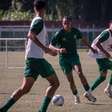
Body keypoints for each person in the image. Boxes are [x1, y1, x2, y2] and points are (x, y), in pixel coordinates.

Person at [0, 0, 59, 112]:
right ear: (43, 9)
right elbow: (31, 35)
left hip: (31, 59)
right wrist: (45, 49)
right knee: (55, 83)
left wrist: (49, 50)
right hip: (36, 60)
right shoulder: (39, 21)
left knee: (25, 89)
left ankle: (3, 109)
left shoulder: (35, 21)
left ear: (35, 9)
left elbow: (30, 38)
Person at [49, 16, 96, 104]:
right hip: (63, 59)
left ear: (71, 23)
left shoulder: (75, 31)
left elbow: (83, 39)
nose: (66, 24)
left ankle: (88, 93)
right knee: (71, 80)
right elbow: (50, 46)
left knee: (80, 73)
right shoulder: (59, 33)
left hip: (74, 56)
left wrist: (91, 48)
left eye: (67, 22)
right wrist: (59, 50)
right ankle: (76, 96)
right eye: (64, 23)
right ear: (62, 24)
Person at [88, 21, 112, 98]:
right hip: (99, 55)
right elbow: (97, 43)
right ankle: (108, 89)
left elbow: (109, 45)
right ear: (110, 25)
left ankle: (88, 92)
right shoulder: (107, 33)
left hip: (101, 56)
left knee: (102, 77)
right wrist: (106, 53)